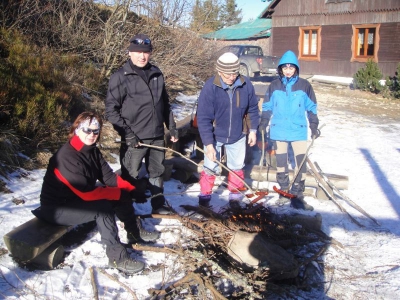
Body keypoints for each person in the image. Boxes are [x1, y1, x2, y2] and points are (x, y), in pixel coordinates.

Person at [33, 112, 160, 275]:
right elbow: (86, 194)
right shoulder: (66, 157)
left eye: (95, 131)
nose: (91, 135)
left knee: (118, 192)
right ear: (77, 129)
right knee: (103, 209)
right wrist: (118, 194)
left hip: (76, 199)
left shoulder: (91, 151)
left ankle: (134, 232)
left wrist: (130, 189)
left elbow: (109, 177)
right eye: (87, 130)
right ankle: (117, 258)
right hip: (56, 208)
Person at [105, 33, 179, 215]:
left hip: (156, 135)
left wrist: (172, 127)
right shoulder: (120, 77)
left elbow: (165, 104)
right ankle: (126, 209)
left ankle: (158, 203)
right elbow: (110, 110)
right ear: (129, 53)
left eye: (145, 52)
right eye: (137, 52)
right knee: (131, 173)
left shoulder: (156, 74)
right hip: (134, 138)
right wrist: (128, 133)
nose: (142, 56)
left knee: (157, 171)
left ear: (150, 53)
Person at [196, 52, 259, 206]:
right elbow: (203, 118)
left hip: (238, 134)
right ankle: (205, 196)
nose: (232, 77)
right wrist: (209, 144)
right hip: (215, 135)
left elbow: (252, 109)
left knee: (236, 166)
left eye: (235, 73)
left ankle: (235, 196)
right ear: (219, 71)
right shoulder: (210, 87)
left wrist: (253, 130)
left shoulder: (246, 85)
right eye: (228, 74)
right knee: (210, 166)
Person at [259, 50, 320, 211]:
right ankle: (284, 191)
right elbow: (267, 106)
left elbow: (312, 108)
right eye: (285, 67)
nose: (288, 70)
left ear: (296, 69)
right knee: (281, 164)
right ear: (280, 69)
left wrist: (314, 125)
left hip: (298, 130)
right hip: (279, 130)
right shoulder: (274, 85)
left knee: (300, 164)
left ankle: (297, 195)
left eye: (291, 68)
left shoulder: (304, 86)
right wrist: (264, 121)